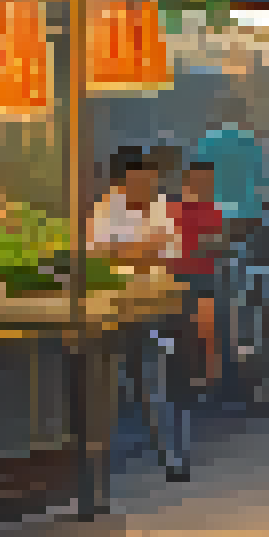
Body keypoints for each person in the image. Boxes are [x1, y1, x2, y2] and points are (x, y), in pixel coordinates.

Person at [91, 147, 192, 481]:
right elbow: (100, 257)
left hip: (154, 307)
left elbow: (172, 251)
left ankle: (171, 454)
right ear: (120, 182)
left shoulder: (159, 206)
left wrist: (129, 253)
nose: (146, 187)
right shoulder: (105, 211)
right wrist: (145, 250)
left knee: (158, 378)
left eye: (149, 180)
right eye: (139, 180)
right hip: (112, 310)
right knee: (109, 383)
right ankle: (100, 463)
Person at [171, 161, 228, 390]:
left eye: (207, 181)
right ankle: (190, 373)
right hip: (179, 275)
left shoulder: (213, 211)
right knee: (185, 327)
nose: (203, 185)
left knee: (207, 326)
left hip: (204, 277)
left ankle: (211, 376)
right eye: (199, 180)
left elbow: (216, 244)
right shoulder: (175, 209)